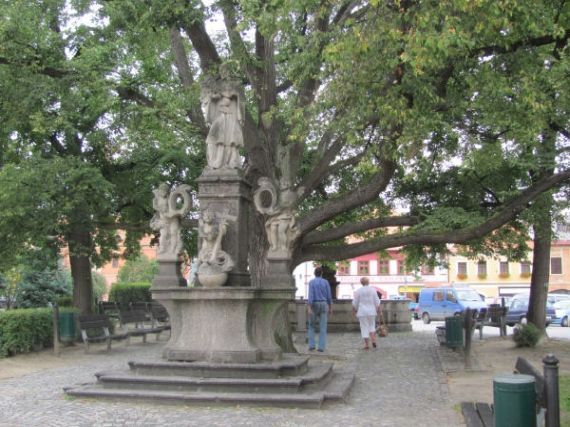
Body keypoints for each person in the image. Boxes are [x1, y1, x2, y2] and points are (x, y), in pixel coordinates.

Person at [307, 267, 333, 352]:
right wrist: (330, 307)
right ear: (321, 273)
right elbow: (329, 295)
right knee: (323, 327)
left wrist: (309, 307)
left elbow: (311, 295)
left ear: (314, 273)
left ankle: (311, 345)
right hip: (324, 304)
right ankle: (321, 347)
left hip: (314, 304)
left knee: (311, 325)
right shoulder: (325, 282)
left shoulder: (311, 282)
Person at [352, 277, 381, 350]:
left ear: (361, 283)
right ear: (368, 282)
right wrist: (379, 310)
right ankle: (373, 340)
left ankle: (367, 344)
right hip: (372, 311)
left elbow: (355, 302)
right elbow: (377, 301)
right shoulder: (373, 290)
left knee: (364, 327)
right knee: (372, 325)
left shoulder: (358, 291)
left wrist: (354, 310)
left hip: (362, 312)